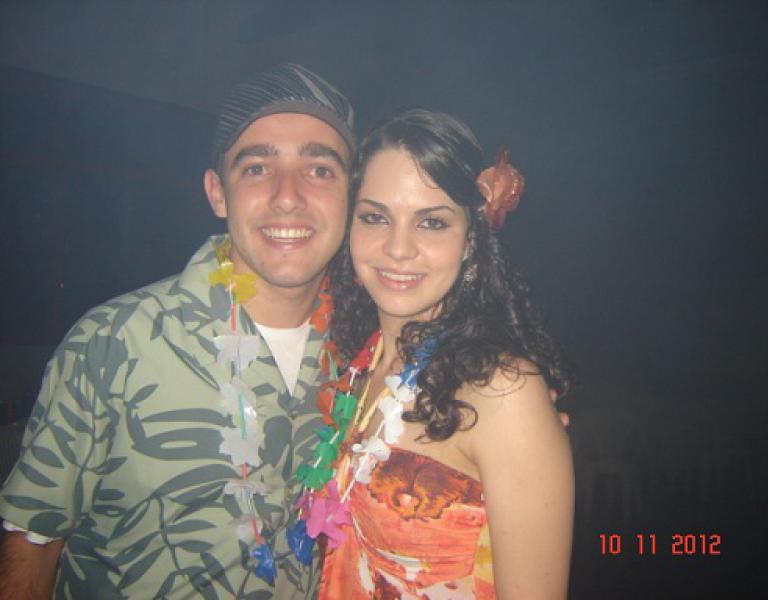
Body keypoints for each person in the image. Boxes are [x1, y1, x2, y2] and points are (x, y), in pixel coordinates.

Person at [0, 63, 356, 599]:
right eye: (257, 167)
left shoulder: (366, 358)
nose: (288, 195)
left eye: (320, 169)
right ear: (217, 192)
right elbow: (33, 539)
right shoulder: (114, 341)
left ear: (353, 194)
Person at [315, 109, 574, 598]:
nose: (398, 248)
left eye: (431, 223)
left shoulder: (501, 392)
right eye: (375, 217)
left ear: (470, 240)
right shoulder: (358, 363)